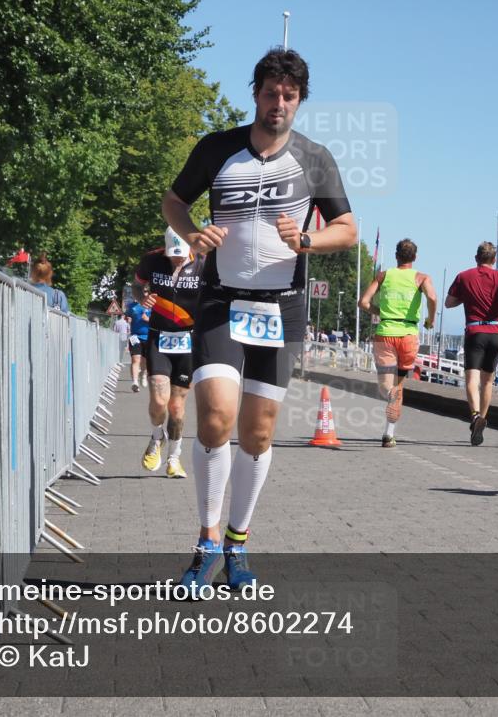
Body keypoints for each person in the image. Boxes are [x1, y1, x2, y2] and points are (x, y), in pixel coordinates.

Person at [162, 47, 356, 592]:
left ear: (300, 101)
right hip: (222, 300)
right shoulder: (218, 148)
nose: (278, 104)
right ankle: (205, 542)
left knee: (258, 431)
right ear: (256, 93)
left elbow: (349, 228)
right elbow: (174, 200)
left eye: (289, 96)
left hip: (281, 307)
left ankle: (237, 543)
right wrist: (191, 234)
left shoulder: (314, 158)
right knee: (217, 418)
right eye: (270, 93)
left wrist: (309, 240)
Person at [134, 228, 205, 479]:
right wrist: (141, 298)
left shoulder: (204, 263)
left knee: (176, 408)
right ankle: (156, 438)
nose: (177, 260)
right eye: (172, 255)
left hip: (188, 340)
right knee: (158, 402)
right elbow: (137, 285)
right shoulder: (151, 260)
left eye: (181, 255)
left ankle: (174, 459)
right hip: (158, 337)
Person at [359, 239, 436, 447]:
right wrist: (431, 319)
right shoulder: (421, 277)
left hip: (385, 333)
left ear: (396, 256)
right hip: (409, 336)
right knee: (399, 385)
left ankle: (389, 401)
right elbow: (432, 297)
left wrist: (379, 311)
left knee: (387, 386)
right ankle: (388, 434)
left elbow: (363, 302)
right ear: (415, 257)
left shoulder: (384, 276)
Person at [445, 241, 498, 446]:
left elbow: (449, 303)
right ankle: (482, 419)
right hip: (496, 332)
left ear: (476, 258)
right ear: (494, 260)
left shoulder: (464, 276)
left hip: (475, 331)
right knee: (487, 381)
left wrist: (466, 298)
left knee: (471, 378)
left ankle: (475, 416)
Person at [125, 295, 151, 392]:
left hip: (149, 337)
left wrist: (148, 319)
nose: (143, 294)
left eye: (145, 292)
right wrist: (127, 319)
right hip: (135, 337)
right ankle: (135, 382)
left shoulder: (153, 306)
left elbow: (159, 321)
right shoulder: (132, 306)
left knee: (145, 361)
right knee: (135, 359)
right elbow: (126, 316)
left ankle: (143, 374)